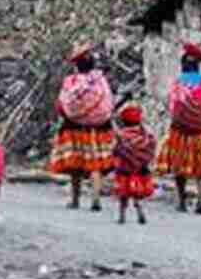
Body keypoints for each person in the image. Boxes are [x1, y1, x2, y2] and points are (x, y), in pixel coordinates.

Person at [155, 42, 201, 214]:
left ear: (183, 65)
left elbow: (174, 108)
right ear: (197, 66)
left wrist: (184, 119)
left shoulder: (179, 84)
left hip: (181, 131)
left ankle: (181, 201)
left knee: (179, 168)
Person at [47, 43, 115, 211]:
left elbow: (62, 104)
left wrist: (72, 114)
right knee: (96, 164)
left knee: (75, 165)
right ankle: (96, 198)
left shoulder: (71, 82)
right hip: (98, 128)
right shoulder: (101, 81)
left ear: (76, 65)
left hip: (74, 128)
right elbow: (108, 103)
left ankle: (75, 199)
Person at [111, 101, 156, 225]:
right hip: (140, 169)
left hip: (124, 169)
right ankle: (140, 210)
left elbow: (116, 150)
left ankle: (122, 216)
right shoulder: (145, 136)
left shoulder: (122, 135)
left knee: (123, 194)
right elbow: (150, 150)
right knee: (138, 194)